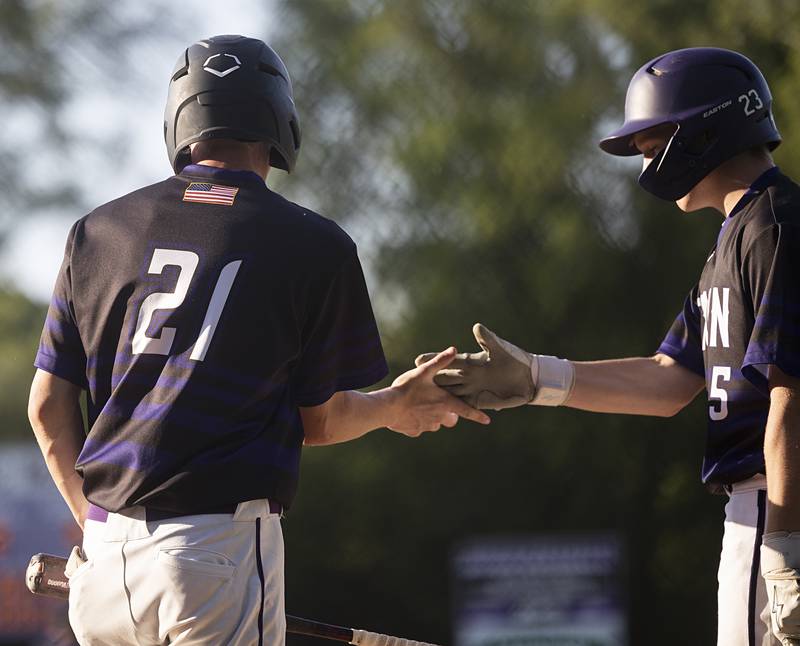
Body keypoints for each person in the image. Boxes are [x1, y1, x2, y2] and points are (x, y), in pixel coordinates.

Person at [27, 35, 489, 646]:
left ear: (180, 123)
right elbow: (318, 422)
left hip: (103, 566)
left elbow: (45, 408)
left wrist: (96, 526)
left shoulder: (96, 232)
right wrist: (394, 407)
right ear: (279, 121)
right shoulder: (313, 244)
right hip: (215, 551)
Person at [419, 47, 800, 645]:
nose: (643, 152)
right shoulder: (735, 239)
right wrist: (538, 378)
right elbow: (668, 378)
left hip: (777, 506)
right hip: (761, 510)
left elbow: (791, 397)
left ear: (706, 128)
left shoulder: (776, 225)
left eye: (652, 136)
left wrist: (784, 543)